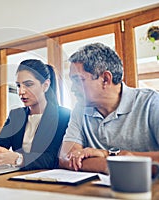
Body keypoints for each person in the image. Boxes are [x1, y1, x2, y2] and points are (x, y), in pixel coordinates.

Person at [59, 43, 159, 174]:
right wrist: (118, 163)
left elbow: (74, 162)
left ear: (106, 79)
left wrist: (107, 155)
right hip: (96, 190)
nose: (72, 89)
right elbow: (65, 158)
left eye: (78, 80)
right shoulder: (80, 108)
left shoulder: (151, 102)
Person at [0, 59, 70, 170]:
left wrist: (18, 159)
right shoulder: (16, 115)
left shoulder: (64, 116)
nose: (21, 91)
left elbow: (53, 159)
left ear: (45, 85)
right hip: (17, 177)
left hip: (48, 180)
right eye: (18, 85)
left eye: (28, 85)